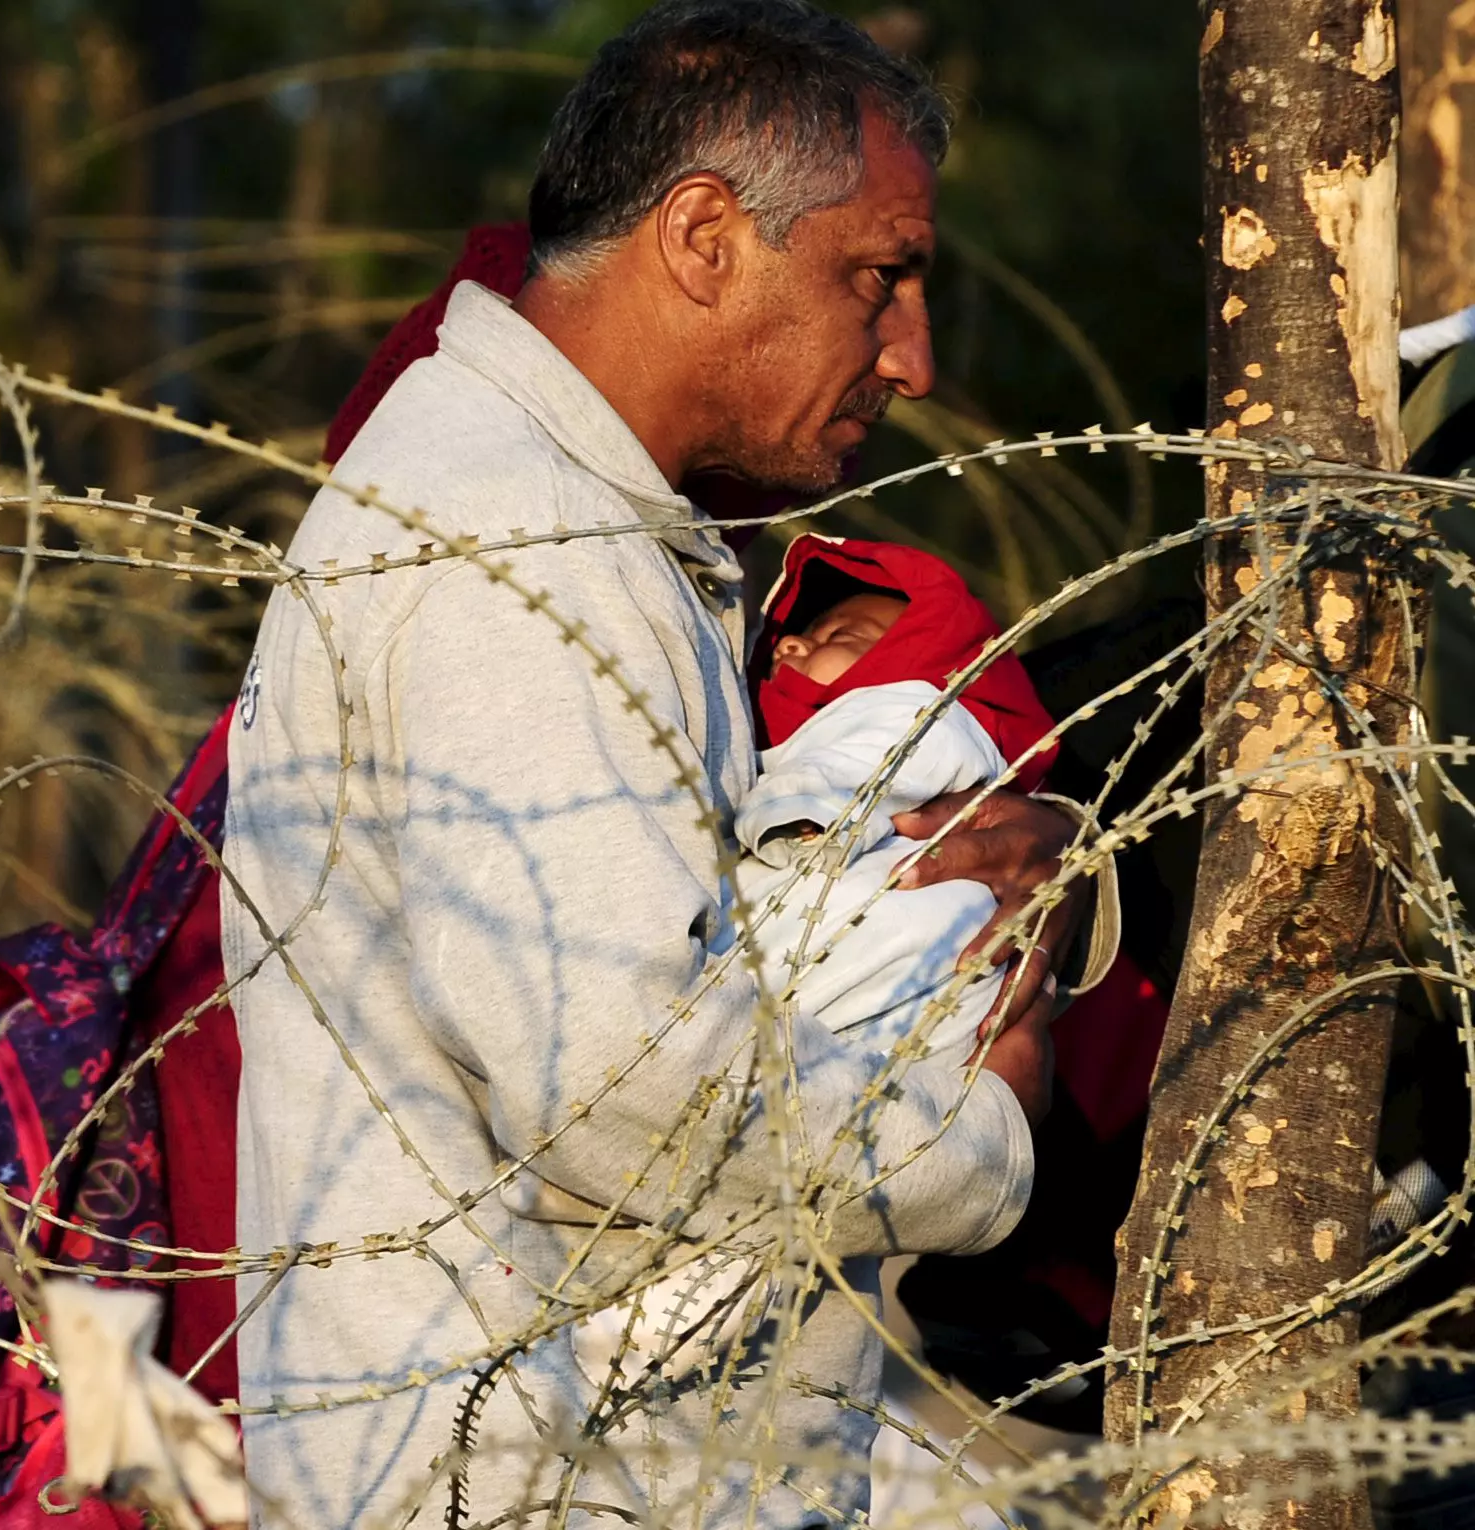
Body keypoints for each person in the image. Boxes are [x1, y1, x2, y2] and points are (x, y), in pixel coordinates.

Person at [219, 4, 1114, 1526]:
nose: (908, 352)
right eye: (876, 277)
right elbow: (619, 1087)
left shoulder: (574, 517)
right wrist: (981, 1137)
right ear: (702, 237)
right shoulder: (515, 544)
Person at [569, 532, 1094, 1403]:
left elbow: (851, 774)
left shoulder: (906, 711)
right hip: (901, 996)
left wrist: (796, 819)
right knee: (788, 1179)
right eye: (800, 636)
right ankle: (674, 1326)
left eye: (845, 632)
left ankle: (661, 1328)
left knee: (770, 1146)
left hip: (856, 951)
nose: (794, 644)